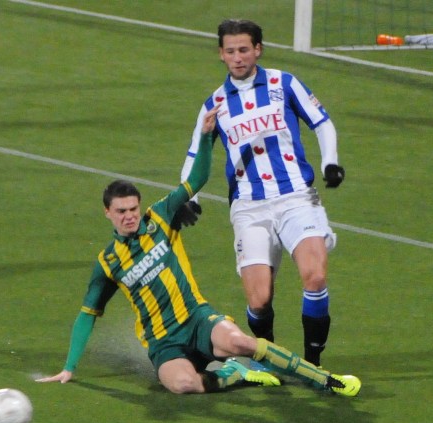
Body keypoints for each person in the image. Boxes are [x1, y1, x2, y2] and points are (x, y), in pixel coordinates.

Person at [37, 106, 360, 396]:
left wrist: (206, 137)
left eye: (133, 208)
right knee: (184, 385)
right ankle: (234, 376)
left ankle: (323, 378)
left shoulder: (161, 216)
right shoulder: (107, 263)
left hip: (197, 319)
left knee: (241, 342)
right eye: (121, 211)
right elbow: (87, 314)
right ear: (108, 213)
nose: (130, 215)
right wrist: (69, 367)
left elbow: (197, 179)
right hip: (164, 344)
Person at [179, 19, 344, 368]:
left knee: (315, 276)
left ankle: (313, 362)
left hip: (297, 196)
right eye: (230, 51)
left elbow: (321, 121)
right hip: (249, 208)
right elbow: (196, 152)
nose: (238, 57)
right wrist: (188, 196)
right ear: (221, 54)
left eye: (244, 49)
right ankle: (268, 359)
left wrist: (330, 163)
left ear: (258, 50)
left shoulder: (284, 84)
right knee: (259, 300)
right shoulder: (215, 103)